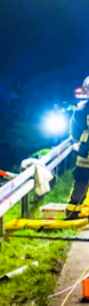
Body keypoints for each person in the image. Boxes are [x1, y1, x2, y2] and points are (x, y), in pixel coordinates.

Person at [65, 75, 89, 219]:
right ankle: (72, 212)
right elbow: (74, 131)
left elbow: (74, 131)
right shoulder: (81, 109)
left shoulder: (82, 109)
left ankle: (72, 213)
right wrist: (75, 143)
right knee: (81, 181)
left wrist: (75, 142)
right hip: (86, 152)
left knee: (81, 181)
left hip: (85, 152)